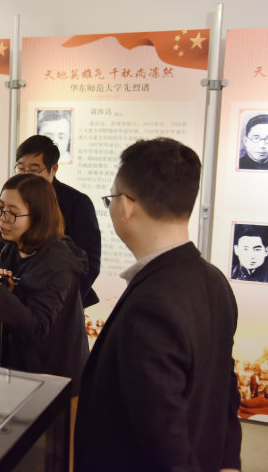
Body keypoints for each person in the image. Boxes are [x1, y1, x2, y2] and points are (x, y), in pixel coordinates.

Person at [74, 138, 241, 472]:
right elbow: (225, 391)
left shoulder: (151, 304)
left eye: (111, 199)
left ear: (126, 206)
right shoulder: (214, 281)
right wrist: (229, 462)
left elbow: (164, 440)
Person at [0, 173, 89, 396]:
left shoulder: (57, 260)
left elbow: (37, 327)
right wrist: (8, 291)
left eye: (13, 213)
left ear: (38, 216)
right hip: (21, 367)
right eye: (0, 208)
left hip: (53, 375)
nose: (2, 219)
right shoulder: (10, 247)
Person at [15, 135, 101, 307]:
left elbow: (90, 262)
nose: (25, 177)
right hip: (20, 298)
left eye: (33, 170)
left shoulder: (77, 202)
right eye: (21, 169)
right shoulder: (14, 198)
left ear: (53, 169)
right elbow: (2, 243)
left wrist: (65, 303)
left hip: (62, 302)